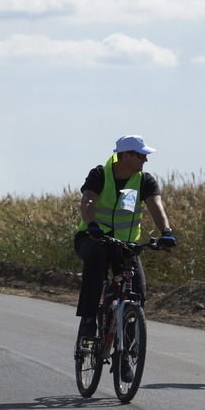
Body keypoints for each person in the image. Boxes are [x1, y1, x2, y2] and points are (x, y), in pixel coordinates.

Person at [74, 135, 176, 345]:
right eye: (140, 155)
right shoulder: (100, 174)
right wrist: (92, 223)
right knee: (95, 257)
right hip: (93, 238)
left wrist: (166, 231)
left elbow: (156, 207)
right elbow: (88, 200)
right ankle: (88, 318)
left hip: (124, 245)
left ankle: (127, 351)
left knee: (138, 290)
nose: (145, 160)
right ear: (124, 155)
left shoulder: (144, 180)